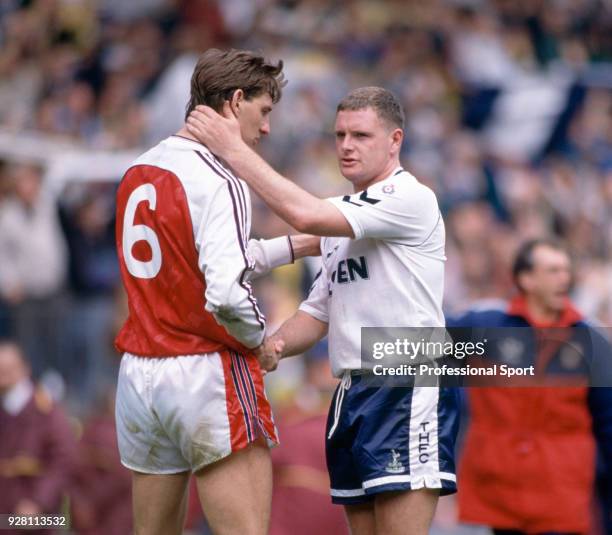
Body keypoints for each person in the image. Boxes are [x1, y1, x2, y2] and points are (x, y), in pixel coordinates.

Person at [187, 86, 460, 535]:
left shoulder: (410, 198)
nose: (347, 146)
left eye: (361, 135)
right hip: (352, 391)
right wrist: (271, 346)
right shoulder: (344, 220)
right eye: (340, 135)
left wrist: (231, 148)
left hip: (406, 384)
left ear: (395, 141)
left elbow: (305, 215)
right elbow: (317, 314)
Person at [114, 48, 320, 535]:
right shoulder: (221, 177)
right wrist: (258, 341)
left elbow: (190, 261)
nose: (266, 128)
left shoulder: (139, 169)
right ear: (234, 103)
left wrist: (286, 248)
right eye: (263, 110)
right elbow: (225, 293)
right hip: (204, 370)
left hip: (140, 375)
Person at [446, 239, 612, 534]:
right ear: (525, 279)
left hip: (562, 501)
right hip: (500, 499)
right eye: (553, 270)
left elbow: (608, 424)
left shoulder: (591, 342)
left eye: (566, 270)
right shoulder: (486, 326)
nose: (564, 278)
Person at [0, 339, 76, 535]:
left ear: (24, 368)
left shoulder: (46, 411)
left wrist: (39, 501)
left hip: (38, 517)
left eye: (9, 369)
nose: (4, 376)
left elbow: (64, 460)